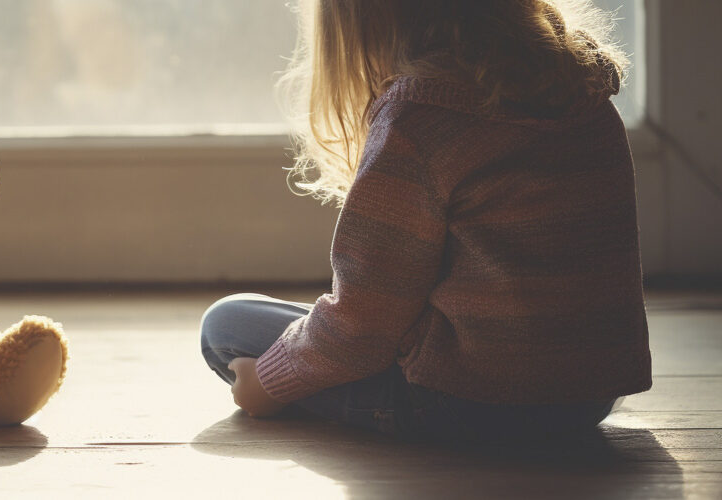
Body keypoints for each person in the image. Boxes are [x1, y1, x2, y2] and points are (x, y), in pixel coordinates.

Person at [200, 0, 651, 442]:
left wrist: (269, 384)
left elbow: (362, 324)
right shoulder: (581, 89)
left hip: (469, 404)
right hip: (590, 393)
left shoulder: (418, 118)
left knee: (226, 325)